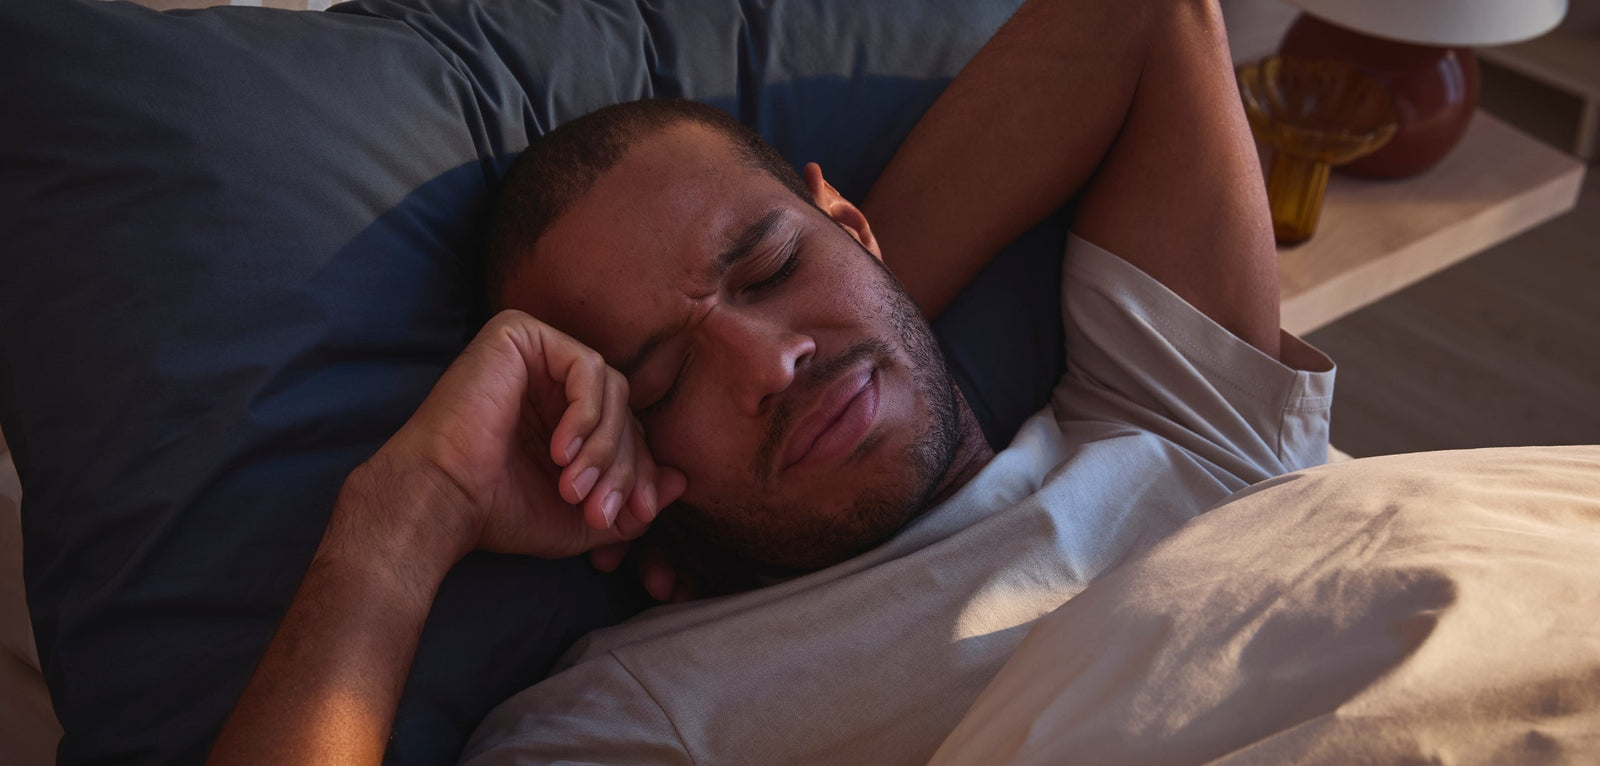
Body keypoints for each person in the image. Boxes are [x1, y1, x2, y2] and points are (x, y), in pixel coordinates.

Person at [205, 0, 1333, 763]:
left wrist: (865, 315)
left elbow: (1140, 17)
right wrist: (405, 519)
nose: (765, 362)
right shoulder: (646, 715)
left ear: (850, 222)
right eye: (656, 384)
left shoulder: (1175, 415)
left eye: (776, 265)